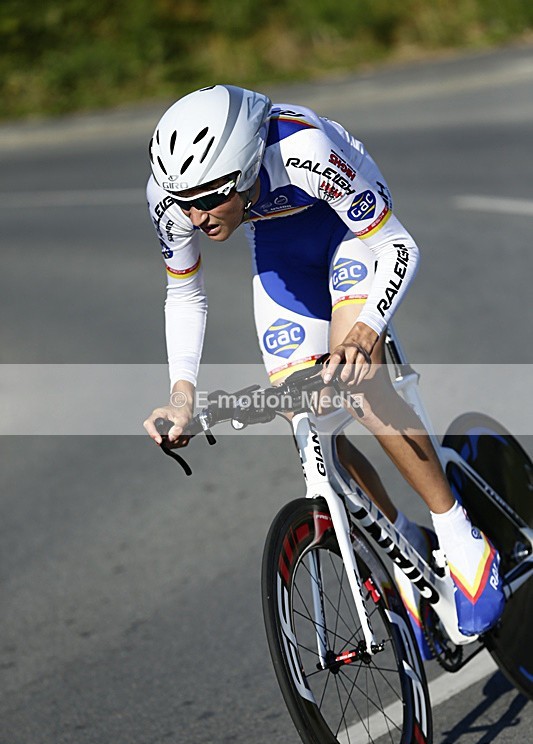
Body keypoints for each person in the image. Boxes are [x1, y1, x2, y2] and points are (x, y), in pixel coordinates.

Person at [143, 84, 504, 639]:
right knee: (303, 409)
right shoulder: (172, 198)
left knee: (358, 383)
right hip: (281, 248)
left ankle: (458, 533)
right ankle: (402, 541)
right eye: (184, 201)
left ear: (243, 172)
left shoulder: (304, 151)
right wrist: (181, 395)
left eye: (210, 197)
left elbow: (398, 247)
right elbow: (185, 294)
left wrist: (365, 329)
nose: (196, 216)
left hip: (351, 233)